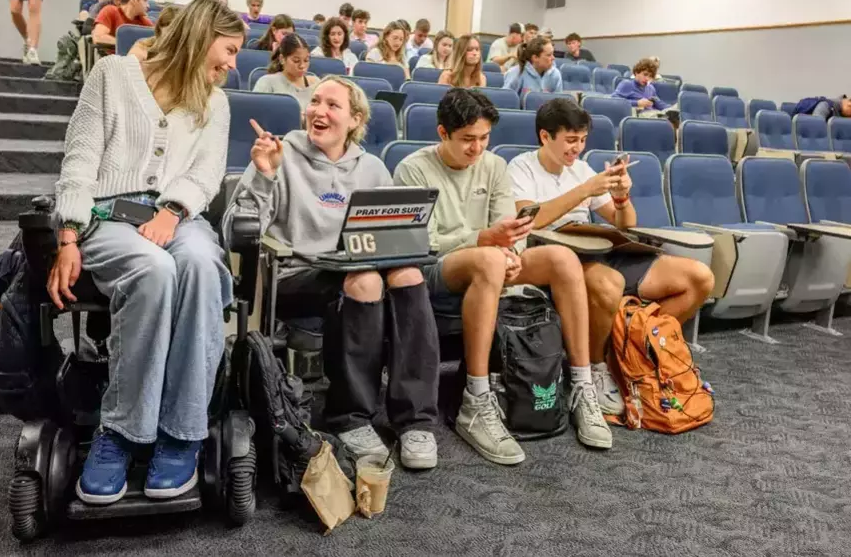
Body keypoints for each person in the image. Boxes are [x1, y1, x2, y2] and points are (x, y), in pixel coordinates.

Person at [49, 0, 243, 505]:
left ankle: (182, 432)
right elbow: (81, 157)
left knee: (200, 262)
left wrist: (172, 212)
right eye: (228, 49)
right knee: (153, 269)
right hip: (109, 214)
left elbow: (204, 175)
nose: (233, 63)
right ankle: (122, 431)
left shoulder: (215, 101)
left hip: (178, 215)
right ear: (201, 38)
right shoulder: (112, 74)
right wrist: (69, 233)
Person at [224, 77, 441, 469]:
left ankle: (415, 420)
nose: (318, 111)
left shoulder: (373, 168)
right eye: (315, 102)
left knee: (408, 274)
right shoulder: (281, 153)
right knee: (366, 280)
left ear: (355, 119)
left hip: (352, 268)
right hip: (291, 275)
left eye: (332, 105)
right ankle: (351, 417)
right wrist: (264, 174)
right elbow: (239, 228)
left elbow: (388, 235)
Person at [393, 89, 612, 464]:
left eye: (483, 138)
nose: (476, 148)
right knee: (490, 261)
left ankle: (581, 384)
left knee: (562, 259)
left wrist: (510, 252)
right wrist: (484, 242)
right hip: (437, 266)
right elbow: (423, 243)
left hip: (492, 258)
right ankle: (475, 401)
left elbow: (511, 228)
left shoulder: (494, 166)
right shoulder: (413, 169)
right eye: (467, 140)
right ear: (442, 132)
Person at [506, 99, 715, 416]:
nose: (577, 148)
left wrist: (620, 198)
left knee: (698, 278)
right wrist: (585, 190)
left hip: (597, 247)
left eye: (583, 140)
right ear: (545, 136)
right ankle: (595, 368)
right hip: (555, 256)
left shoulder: (582, 169)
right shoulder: (521, 167)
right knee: (610, 283)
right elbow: (527, 219)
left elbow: (625, 223)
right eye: (570, 140)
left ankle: (631, 351)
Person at [252, 33, 319, 112]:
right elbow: (255, 113)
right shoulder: (267, 82)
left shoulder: (316, 83)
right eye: (296, 61)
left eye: (306, 60)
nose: (302, 66)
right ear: (282, 59)